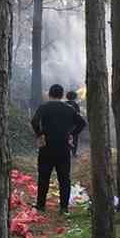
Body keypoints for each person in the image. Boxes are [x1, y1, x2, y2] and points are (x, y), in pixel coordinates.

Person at [31, 84, 86, 213]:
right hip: (63, 148)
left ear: (50, 94)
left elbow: (34, 121)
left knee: (44, 176)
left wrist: (40, 135)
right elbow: (82, 123)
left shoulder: (44, 107)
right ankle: (64, 207)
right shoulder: (69, 108)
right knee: (64, 178)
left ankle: (40, 205)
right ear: (62, 95)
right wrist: (72, 134)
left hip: (47, 147)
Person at [65, 90, 81, 156]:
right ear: (75, 97)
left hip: (65, 125)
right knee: (75, 138)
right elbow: (78, 115)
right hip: (74, 125)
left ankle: (66, 152)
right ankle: (74, 153)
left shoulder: (64, 104)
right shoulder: (76, 105)